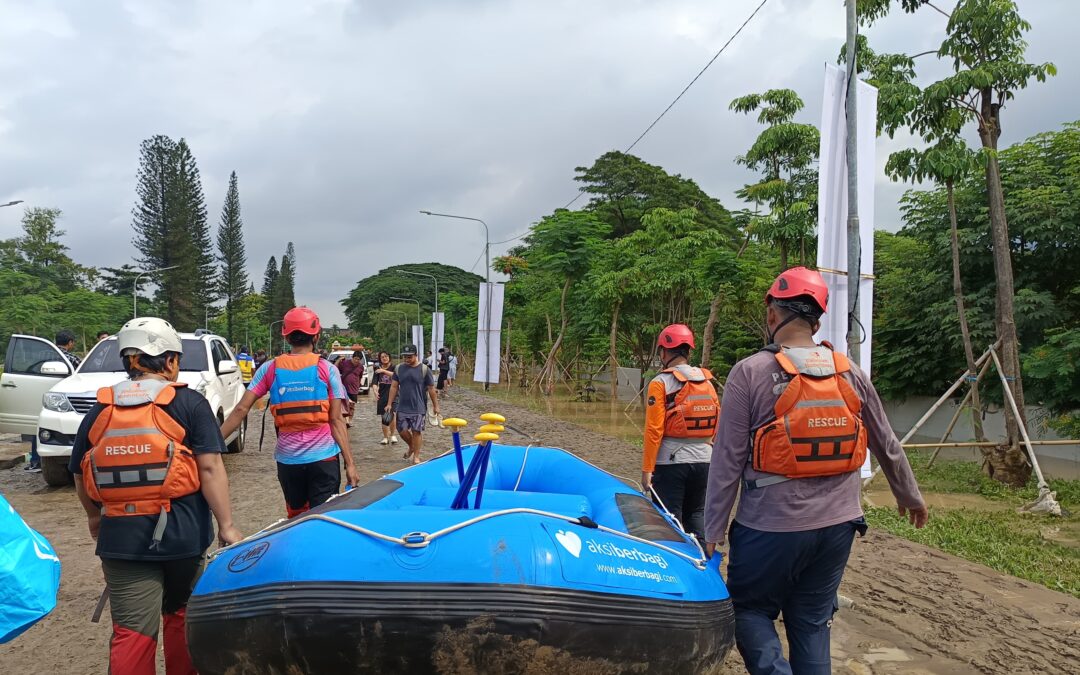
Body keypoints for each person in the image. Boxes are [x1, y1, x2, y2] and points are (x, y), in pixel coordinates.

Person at [705, 267, 929, 674]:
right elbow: (885, 442)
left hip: (770, 528)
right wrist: (909, 495)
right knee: (810, 621)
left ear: (773, 315)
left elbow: (726, 462)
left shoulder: (749, 372)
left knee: (749, 610)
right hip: (840, 525)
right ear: (818, 320)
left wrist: (712, 533)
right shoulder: (850, 372)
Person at [69, 316, 242, 675]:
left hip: (121, 541)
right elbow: (209, 469)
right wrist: (227, 526)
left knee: (132, 633)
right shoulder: (190, 404)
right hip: (184, 538)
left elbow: (79, 472)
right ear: (169, 361)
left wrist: (94, 518)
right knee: (181, 619)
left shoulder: (101, 409)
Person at [221, 307, 359, 518]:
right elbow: (336, 420)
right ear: (317, 336)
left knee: (296, 517)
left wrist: (210, 443)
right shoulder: (326, 369)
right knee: (324, 518)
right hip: (324, 460)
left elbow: (241, 409)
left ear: (285, 336)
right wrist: (350, 464)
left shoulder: (269, 368)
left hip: (289, 461)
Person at [641, 324, 719, 544]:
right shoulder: (707, 382)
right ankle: (704, 563)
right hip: (706, 460)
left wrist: (647, 469)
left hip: (671, 463)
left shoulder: (660, 382)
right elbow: (718, 422)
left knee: (668, 521)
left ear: (664, 352)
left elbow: (654, 430)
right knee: (697, 514)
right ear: (689, 351)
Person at [386, 344, 439, 465]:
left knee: (417, 431)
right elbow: (394, 387)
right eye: (404, 357)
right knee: (402, 431)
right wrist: (389, 403)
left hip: (419, 407)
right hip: (402, 406)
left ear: (416, 355)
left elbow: (431, 389)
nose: (407, 359)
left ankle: (416, 456)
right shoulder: (399, 368)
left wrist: (436, 406)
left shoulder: (425, 370)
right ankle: (411, 446)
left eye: (409, 357)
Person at [373, 351, 398, 445]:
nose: (384, 358)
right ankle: (385, 437)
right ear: (380, 359)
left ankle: (393, 435)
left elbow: (396, 376)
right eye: (382, 357)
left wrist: (383, 371)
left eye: (386, 356)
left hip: (395, 394)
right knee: (384, 416)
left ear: (389, 357)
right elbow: (374, 383)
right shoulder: (377, 369)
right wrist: (375, 391)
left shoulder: (395, 367)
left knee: (392, 414)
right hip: (382, 394)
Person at [337, 350, 366, 428]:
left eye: (358, 359)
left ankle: (349, 421)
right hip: (343, 388)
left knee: (352, 406)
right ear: (352, 357)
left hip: (354, 389)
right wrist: (338, 360)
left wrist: (358, 386)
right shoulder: (345, 363)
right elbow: (335, 368)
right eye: (355, 358)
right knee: (344, 405)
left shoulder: (361, 367)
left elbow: (360, 377)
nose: (356, 361)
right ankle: (345, 421)